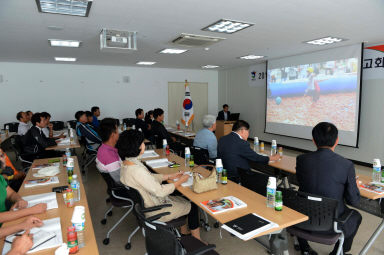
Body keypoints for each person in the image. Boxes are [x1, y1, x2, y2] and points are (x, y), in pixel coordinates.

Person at [117, 130, 203, 241]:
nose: (144, 144)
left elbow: (148, 178)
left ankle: (184, 231)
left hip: (149, 204)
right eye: (142, 142)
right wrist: (180, 181)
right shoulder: (136, 170)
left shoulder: (127, 164)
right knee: (193, 205)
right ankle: (197, 240)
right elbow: (160, 191)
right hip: (156, 210)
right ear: (137, 146)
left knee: (184, 197)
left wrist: (168, 177)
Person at [296, 122, 362, 255]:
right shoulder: (346, 165)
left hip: (301, 217)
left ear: (314, 141)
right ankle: (338, 252)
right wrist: (353, 185)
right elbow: (353, 201)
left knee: (302, 203)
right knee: (356, 216)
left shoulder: (301, 159)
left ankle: (305, 249)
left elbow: (304, 182)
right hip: (331, 224)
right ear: (337, 140)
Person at [96, 118, 121, 183]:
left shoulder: (103, 147)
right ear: (113, 134)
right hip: (124, 188)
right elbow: (119, 180)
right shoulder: (110, 157)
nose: (119, 132)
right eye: (117, 130)